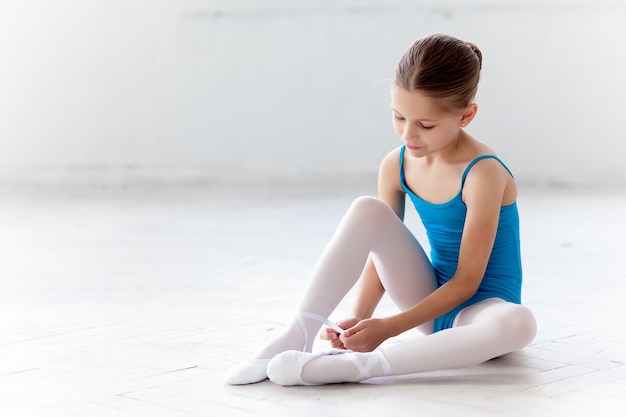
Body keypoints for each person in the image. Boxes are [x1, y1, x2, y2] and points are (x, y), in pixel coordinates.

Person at [224, 33, 537, 386]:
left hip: (481, 313)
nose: (408, 135)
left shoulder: (484, 172)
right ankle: (298, 332)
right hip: (428, 297)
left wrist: (388, 328)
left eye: (426, 125)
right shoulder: (397, 164)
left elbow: (468, 281)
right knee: (367, 209)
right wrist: (359, 319)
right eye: (399, 117)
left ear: (466, 116)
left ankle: (359, 369)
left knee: (519, 323)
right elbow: (377, 249)